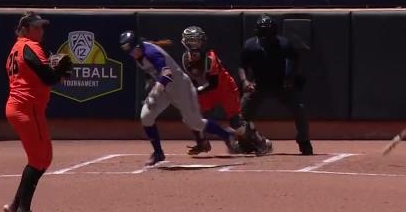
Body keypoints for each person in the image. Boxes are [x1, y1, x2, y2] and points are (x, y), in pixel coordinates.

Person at [119, 31, 238, 166]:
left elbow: (166, 73)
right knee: (146, 117)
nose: (132, 53)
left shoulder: (151, 53)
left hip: (181, 87)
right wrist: (150, 83)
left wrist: (155, 91)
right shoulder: (138, 54)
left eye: (134, 50)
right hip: (165, 88)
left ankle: (227, 136)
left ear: (138, 45)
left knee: (195, 123)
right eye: (130, 51)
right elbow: (151, 70)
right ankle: (158, 153)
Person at [4, 12, 72, 212]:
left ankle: (17, 204)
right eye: (36, 27)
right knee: (40, 159)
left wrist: (56, 73)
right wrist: (60, 74)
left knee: (43, 157)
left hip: (21, 108)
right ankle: (23, 210)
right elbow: (47, 77)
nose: (41, 31)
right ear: (25, 29)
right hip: (27, 108)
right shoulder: (30, 47)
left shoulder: (16, 48)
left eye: (42, 27)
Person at [180, 26, 272, 156]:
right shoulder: (185, 59)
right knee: (189, 115)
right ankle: (202, 142)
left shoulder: (210, 57)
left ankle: (260, 141)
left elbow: (213, 84)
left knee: (236, 123)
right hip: (206, 90)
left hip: (224, 88)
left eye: (197, 41)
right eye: (191, 41)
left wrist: (195, 92)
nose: (195, 45)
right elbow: (194, 81)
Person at [239, 14, 314, 155]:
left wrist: (291, 77)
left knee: (300, 110)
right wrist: (245, 81)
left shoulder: (284, 44)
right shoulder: (250, 45)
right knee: (240, 116)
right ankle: (248, 142)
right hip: (258, 85)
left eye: (269, 31)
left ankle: (303, 141)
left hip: (281, 85)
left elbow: (295, 60)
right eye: (263, 31)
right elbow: (242, 66)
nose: (266, 36)